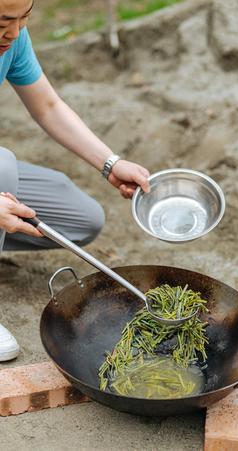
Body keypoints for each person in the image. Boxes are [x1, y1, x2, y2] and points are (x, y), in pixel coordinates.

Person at [0, 0, 150, 362]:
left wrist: (110, 163)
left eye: (24, 19)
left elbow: (48, 106)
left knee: (82, 220)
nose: (15, 32)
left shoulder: (12, 41)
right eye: (4, 21)